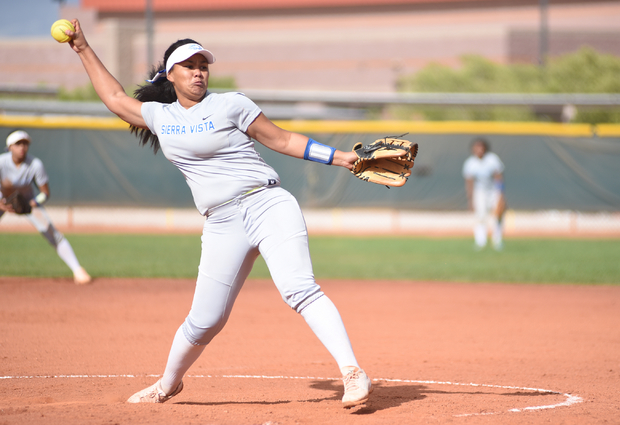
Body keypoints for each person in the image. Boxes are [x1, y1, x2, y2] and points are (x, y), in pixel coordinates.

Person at [63, 19, 374, 408]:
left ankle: (352, 372)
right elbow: (114, 97)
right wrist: (82, 47)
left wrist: (341, 157)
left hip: (267, 203)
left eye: (203, 65)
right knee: (205, 320)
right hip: (221, 222)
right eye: (189, 65)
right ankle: (167, 384)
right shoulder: (162, 117)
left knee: (299, 288)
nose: (198, 71)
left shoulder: (231, 103)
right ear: (169, 75)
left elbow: (282, 139)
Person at [0, 130, 92, 284]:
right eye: (18, 143)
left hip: (28, 202)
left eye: (25, 143)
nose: (22, 147)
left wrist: (32, 204)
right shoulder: (2, 162)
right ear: (9, 147)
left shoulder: (35, 164)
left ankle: (78, 270)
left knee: (52, 233)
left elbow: (45, 193)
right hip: (2, 201)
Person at [462, 137, 505, 251]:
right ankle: (480, 242)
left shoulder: (492, 159)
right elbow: (469, 183)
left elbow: (499, 177)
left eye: (481, 147)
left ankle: (498, 241)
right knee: (480, 216)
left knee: (498, 215)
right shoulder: (470, 163)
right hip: (479, 192)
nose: (479, 150)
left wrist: (500, 194)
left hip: (493, 190)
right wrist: (470, 200)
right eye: (476, 147)